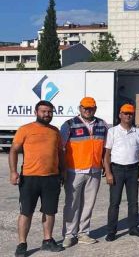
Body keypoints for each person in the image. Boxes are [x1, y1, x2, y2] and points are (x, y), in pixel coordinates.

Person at [9, 100, 65, 256]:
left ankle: (47, 240)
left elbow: (60, 152)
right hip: (29, 178)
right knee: (26, 212)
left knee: (50, 211)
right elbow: (13, 150)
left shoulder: (55, 131)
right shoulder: (25, 129)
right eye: (43, 111)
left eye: (50, 112)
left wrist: (63, 171)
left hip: (51, 178)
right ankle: (22, 244)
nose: (47, 114)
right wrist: (13, 172)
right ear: (36, 112)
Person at [60, 96, 108, 248]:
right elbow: (61, 149)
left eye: (91, 108)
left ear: (95, 109)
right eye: (85, 108)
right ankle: (69, 235)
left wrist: (105, 166)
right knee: (72, 204)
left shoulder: (102, 124)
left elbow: (106, 149)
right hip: (74, 171)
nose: (88, 110)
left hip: (94, 171)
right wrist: (62, 170)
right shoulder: (69, 125)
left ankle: (83, 233)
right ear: (80, 108)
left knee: (88, 204)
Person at [104, 104, 139, 241]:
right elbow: (107, 154)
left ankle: (133, 228)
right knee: (114, 202)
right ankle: (111, 231)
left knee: (133, 202)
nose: (128, 116)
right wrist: (108, 173)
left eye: (130, 113)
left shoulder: (138, 132)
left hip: (133, 170)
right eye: (125, 113)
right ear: (120, 115)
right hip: (117, 170)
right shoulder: (112, 131)